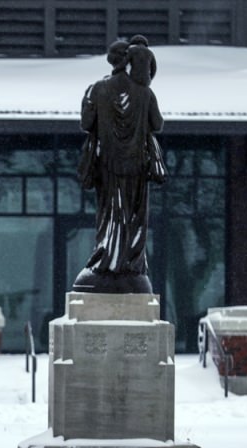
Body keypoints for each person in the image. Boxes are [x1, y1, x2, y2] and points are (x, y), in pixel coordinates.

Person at [74, 35, 165, 294]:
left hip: (108, 166)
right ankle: (129, 263)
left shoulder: (97, 88)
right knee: (134, 216)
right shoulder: (145, 92)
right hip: (136, 166)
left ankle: (106, 258)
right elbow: (157, 124)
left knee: (109, 214)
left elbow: (85, 123)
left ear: (111, 61)